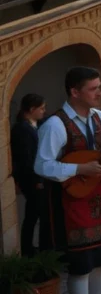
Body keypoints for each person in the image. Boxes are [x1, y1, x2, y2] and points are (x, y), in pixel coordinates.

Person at [35, 67, 101, 294]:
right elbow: (42, 165)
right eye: (93, 89)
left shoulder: (99, 117)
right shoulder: (55, 124)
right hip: (71, 202)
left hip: (100, 197)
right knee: (81, 266)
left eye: (99, 87)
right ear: (75, 92)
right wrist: (80, 168)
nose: (100, 93)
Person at [12, 93, 46, 256]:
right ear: (32, 109)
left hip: (36, 177)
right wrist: (37, 180)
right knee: (35, 214)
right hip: (31, 179)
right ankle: (29, 249)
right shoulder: (22, 129)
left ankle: (31, 248)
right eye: (41, 108)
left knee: (34, 214)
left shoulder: (34, 126)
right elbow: (27, 158)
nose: (43, 112)